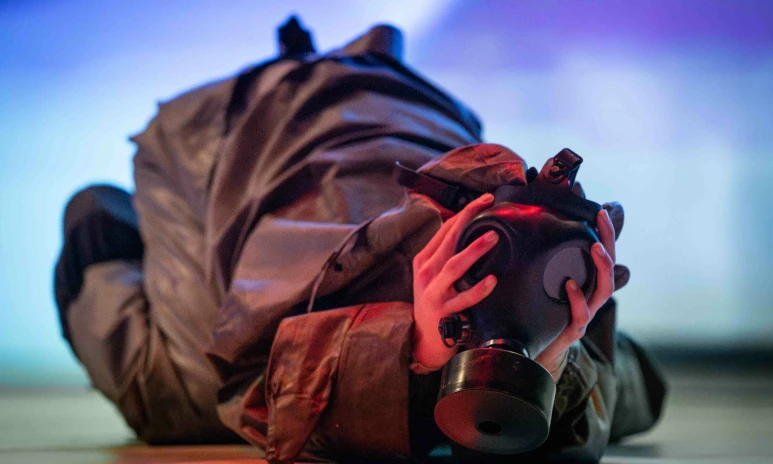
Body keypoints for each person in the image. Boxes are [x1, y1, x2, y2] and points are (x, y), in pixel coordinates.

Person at [54, 17, 666, 463]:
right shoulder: (219, 370)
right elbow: (253, 392)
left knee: (102, 223)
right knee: (177, 395)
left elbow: (636, 387)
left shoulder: (543, 302)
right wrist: (420, 349)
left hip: (392, 115)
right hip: (235, 139)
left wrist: (551, 359)